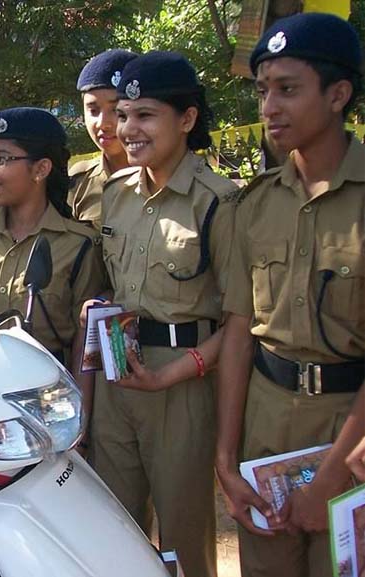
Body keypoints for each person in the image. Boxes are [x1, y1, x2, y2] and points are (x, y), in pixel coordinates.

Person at [215, 13, 363, 577]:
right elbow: (237, 332)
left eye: (288, 90)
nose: (269, 107)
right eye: (262, 91)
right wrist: (228, 462)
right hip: (268, 423)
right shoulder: (253, 206)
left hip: (351, 428)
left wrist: (333, 475)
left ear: (338, 94)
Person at [87, 51, 239, 577]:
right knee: (114, 524)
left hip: (183, 382)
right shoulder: (116, 194)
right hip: (118, 376)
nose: (127, 128)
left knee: (183, 533)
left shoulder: (219, 202)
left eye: (144, 115)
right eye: (123, 114)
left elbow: (243, 319)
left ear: (187, 119)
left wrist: (179, 371)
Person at [0, 107, 105, 373]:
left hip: (47, 397)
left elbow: (84, 345)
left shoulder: (79, 246)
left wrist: (80, 411)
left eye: (3, 160)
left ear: (41, 169)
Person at [68, 49, 138, 229]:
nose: (103, 123)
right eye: (93, 110)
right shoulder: (77, 183)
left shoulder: (169, 177)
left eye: (116, 110)